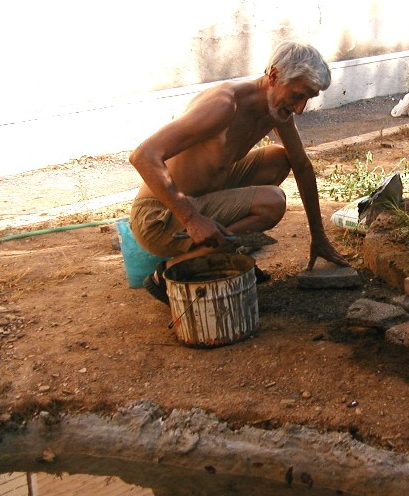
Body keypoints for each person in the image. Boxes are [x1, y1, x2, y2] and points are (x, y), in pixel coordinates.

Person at [129, 41, 349, 304]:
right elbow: (143, 156)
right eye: (297, 96)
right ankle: (167, 273)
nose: (300, 108)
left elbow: (301, 166)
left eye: (308, 99)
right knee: (273, 202)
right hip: (158, 217)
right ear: (274, 76)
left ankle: (222, 250)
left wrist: (319, 237)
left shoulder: (276, 109)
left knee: (279, 158)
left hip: (205, 194)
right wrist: (191, 219)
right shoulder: (224, 105)